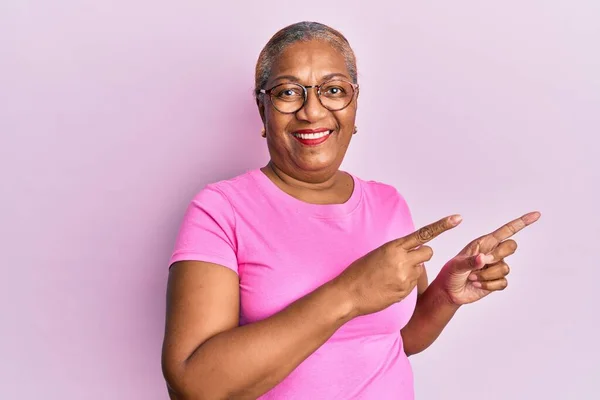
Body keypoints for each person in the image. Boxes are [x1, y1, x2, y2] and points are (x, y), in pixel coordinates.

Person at [161, 21, 540, 400]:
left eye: (333, 90)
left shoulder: (387, 204)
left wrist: (446, 295)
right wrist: (350, 294)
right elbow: (195, 386)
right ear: (262, 110)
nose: (312, 111)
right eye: (289, 92)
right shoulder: (221, 210)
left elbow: (395, 339)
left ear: (354, 105)